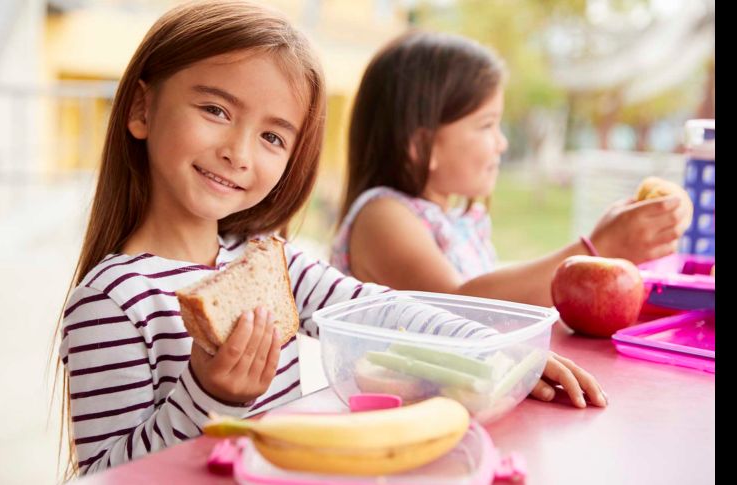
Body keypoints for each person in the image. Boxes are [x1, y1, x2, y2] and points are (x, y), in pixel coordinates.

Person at [54, 7, 606, 478]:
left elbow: (383, 313)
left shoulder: (273, 263)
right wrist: (208, 393)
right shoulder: (112, 301)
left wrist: (496, 354)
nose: (240, 152)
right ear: (142, 110)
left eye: (272, 136)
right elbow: (108, 474)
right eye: (216, 110)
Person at [333, 30, 687, 310]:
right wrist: (597, 249)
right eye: (487, 125)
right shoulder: (381, 216)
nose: (501, 143)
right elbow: (459, 306)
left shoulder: (456, 220)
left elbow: (502, 293)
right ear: (419, 146)